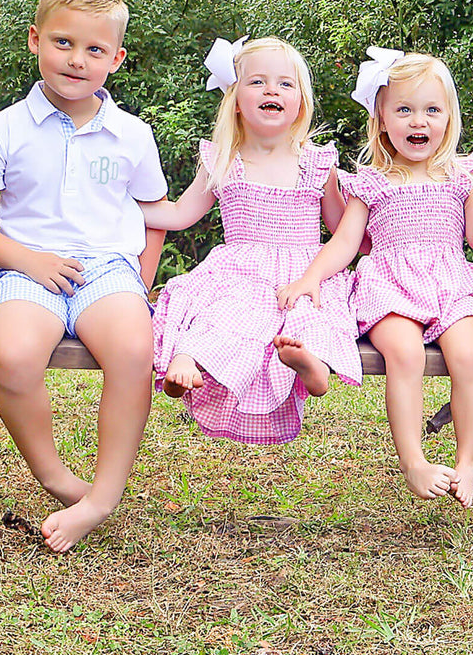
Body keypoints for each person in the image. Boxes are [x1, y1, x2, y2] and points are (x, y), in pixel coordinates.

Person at [0, 0, 167, 552]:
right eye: (63, 43)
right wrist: (28, 259)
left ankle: (104, 494)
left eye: (94, 49)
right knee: (13, 355)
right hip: (23, 268)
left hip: (105, 270)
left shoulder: (132, 135)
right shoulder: (3, 130)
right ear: (36, 40)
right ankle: (56, 477)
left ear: (116, 59)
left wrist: (139, 287)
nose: (76, 59)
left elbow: (152, 218)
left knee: (134, 349)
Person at [277, 48, 473, 509]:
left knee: (469, 353)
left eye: (431, 110)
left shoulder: (461, 175)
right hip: (390, 285)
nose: (417, 121)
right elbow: (345, 243)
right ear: (382, 119)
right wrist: (310, 278)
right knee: (403, 354)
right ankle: (414, 461)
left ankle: (467, 461)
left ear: (448, 119)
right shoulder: (371, 181)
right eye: (404, 110)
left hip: (450, 283)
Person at [143, 36, 361, 444]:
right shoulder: (224, 159)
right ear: (236, 101)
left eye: (285, 83)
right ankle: (185, 360)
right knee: (223, 313)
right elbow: (179, 214)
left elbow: (343, 230)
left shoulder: (317, 162)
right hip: (240, 272)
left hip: (305, 271)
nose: (272, 90)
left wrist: (381, 203)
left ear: (300, 102)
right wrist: (120, 206)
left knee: (309, 313)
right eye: (257, 82)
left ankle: (313, 366)